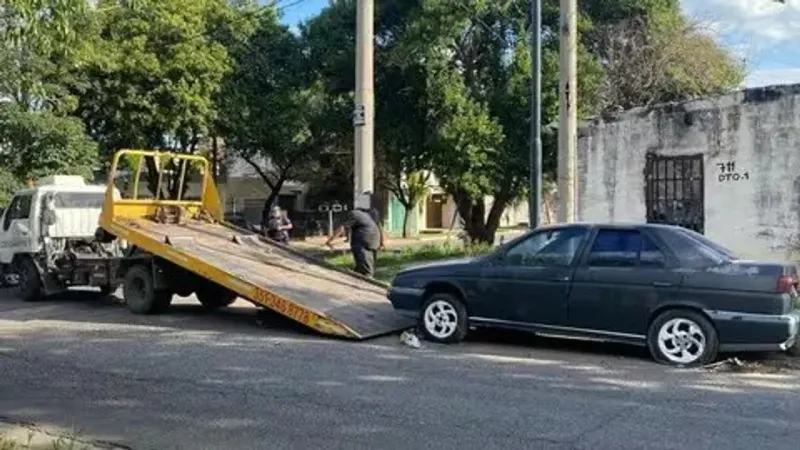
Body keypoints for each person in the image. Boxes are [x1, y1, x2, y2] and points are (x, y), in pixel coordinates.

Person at [325, 194, 384, 278]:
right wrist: (381, 242)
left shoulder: (358, 214)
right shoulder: (368, 214)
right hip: (370, 243)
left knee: (365, 271)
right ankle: (358, 279)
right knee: (365, 268)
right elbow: (379, 227)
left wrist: (330, 241)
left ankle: (361, 282)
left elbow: (342, 228)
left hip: (365, 244)